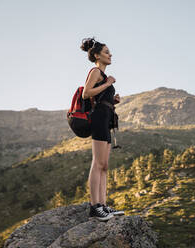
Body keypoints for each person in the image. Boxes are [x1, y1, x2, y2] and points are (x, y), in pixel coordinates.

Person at [80, 37, 125, 221]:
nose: (110, 54)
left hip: (107, 119)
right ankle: (95, 206)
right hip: (98, 119)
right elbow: (86, 93)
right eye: (106, 52)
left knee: (104, 165)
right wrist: (107, 85)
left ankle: (104, 206)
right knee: (97, 163)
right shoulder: (96, 72)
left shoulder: (103, 76)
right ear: (97, 55)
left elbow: (98, 97)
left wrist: (112, 100)